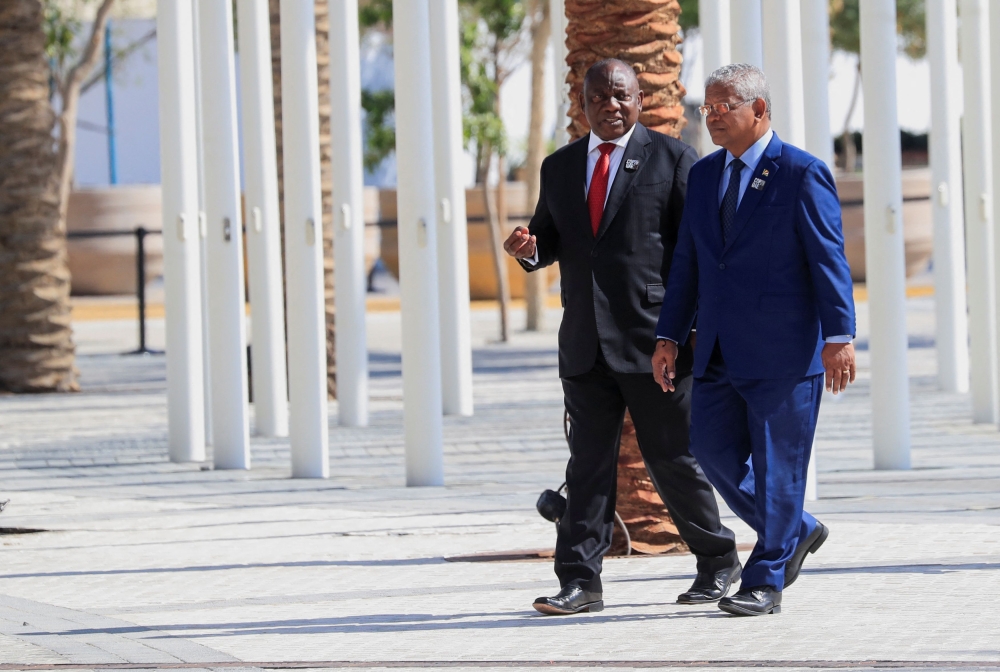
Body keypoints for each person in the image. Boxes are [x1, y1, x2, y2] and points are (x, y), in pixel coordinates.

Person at [504, 58, 740, 616]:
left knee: (672, 459)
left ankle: (717, 559)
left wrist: (687, 332)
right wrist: (528, 249)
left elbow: (696, 252)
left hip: (655, 341)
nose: (610, 106)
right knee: (586, 464)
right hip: (585, 344)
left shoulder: (674, 157)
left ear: (639, 99)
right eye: (598, 99)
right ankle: (581, 581)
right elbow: (549, 239)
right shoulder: (559, 167)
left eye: (621, 96)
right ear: (581, 105)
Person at [652, 63, 856, 616]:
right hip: (716, 347)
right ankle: (799, 528)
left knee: (777, 469)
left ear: (759, 110)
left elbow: (827, 257)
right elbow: (690, 263)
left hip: (785, 351)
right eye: (706, 109)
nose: (711, 117)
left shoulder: (801, 173)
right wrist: (669, 335)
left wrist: (839, 335)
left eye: (724, 107)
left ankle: (765, 581)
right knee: (711, 451)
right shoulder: (705, 174)